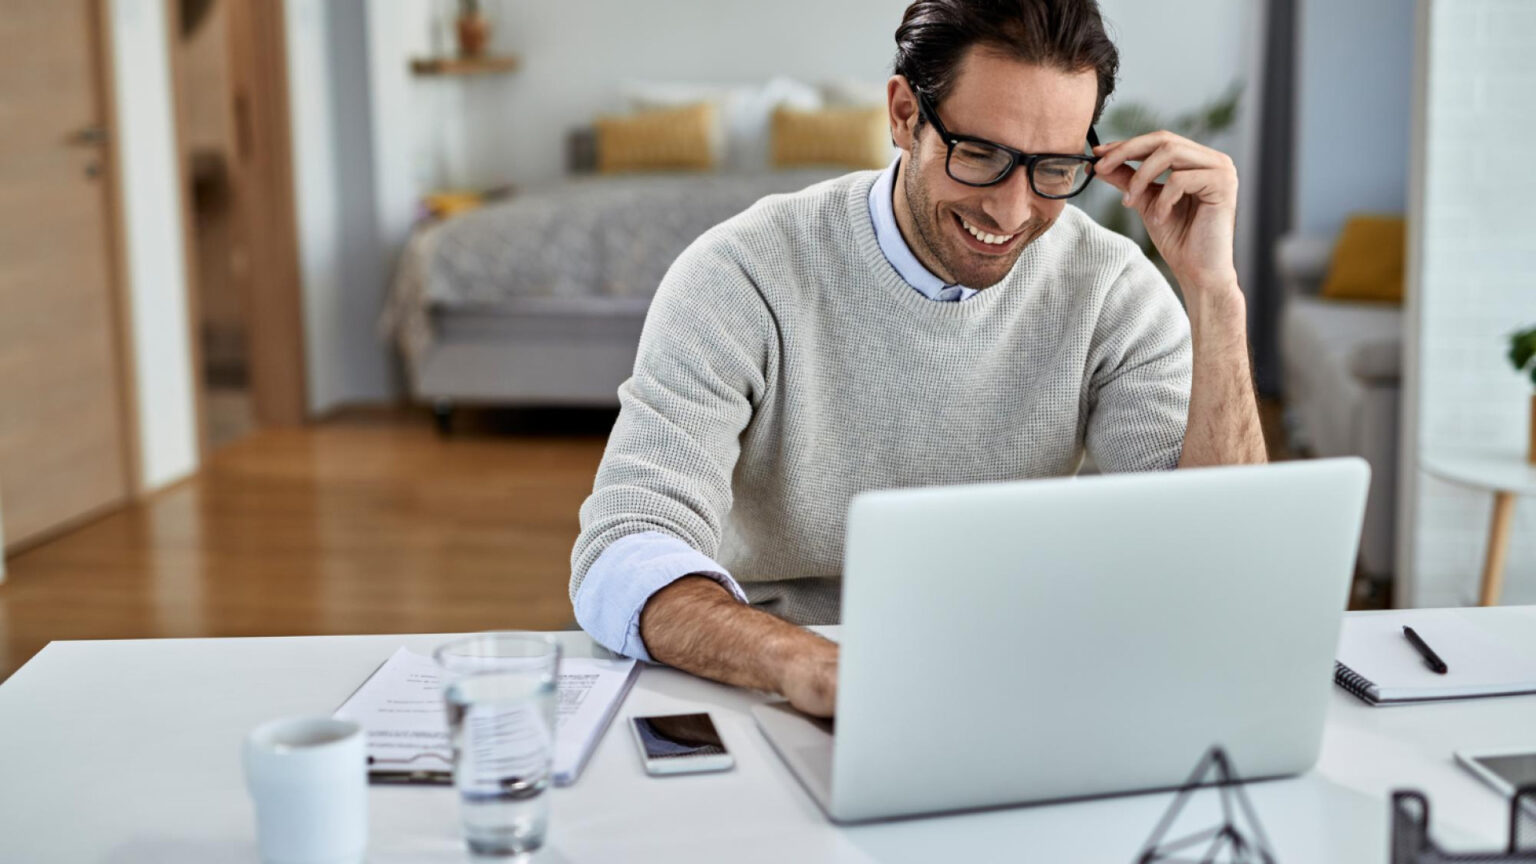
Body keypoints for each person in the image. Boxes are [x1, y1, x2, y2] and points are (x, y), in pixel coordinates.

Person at [570, 0, 1266, 718]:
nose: (1012, 212)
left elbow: (1216, 569)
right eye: (981, 155)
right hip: (774, 685)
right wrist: (811, 667)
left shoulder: (1111, 289)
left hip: (1015, 687)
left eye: (1054, 168)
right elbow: (623, 552)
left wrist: (1215, 293)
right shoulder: (742, 274)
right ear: (904, 115)